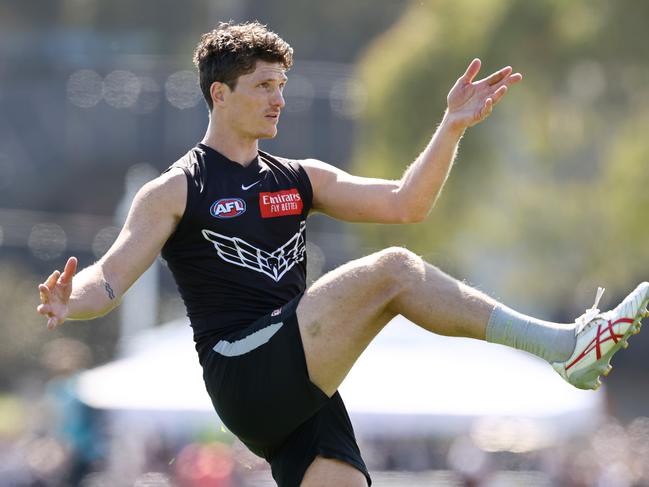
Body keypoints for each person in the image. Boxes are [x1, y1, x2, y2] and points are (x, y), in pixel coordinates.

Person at [37, 21, 648, 487]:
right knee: (394, 271)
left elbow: (406, 203)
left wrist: (451, 127)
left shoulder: (299, 177)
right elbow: (109, 279)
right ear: (219, 94)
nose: (278, 99)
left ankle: (569, 351)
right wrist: (71, 300)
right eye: (263, 86)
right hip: (246, 368)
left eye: (282, 85)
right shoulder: (176, 188)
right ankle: (564, 346)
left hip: (301, 381)